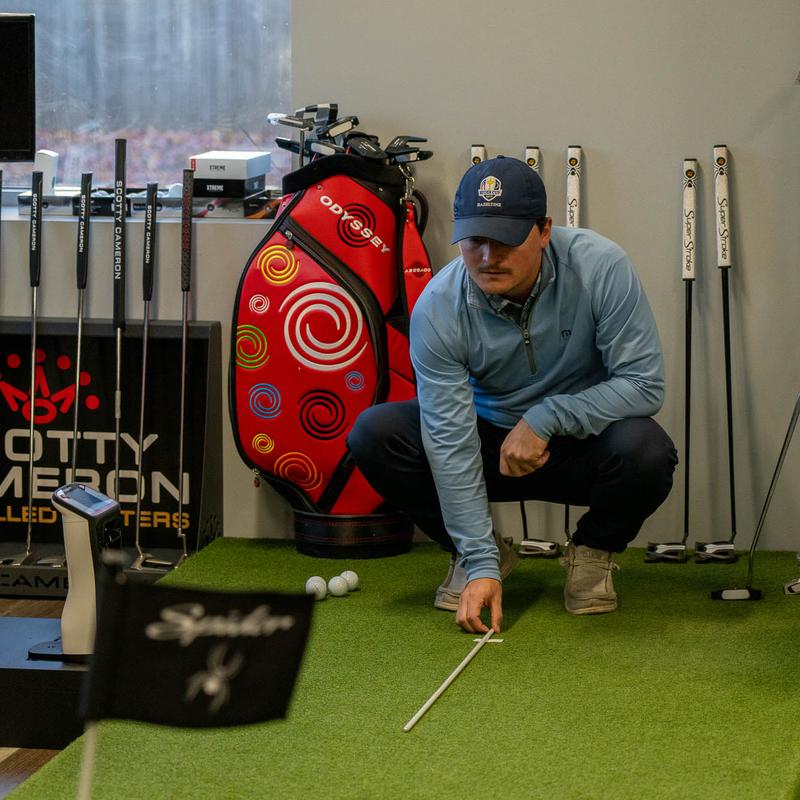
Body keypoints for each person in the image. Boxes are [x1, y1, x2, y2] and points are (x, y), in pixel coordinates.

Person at [348, 155, 677, 634]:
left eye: (505, 240)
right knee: (375, 434)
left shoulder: (601, 267)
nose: (488, 256)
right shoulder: (439, 306)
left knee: (647, 451)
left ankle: (592, 551)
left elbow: (644, 384)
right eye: (475, 240)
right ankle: (477, 554)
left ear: (544, 231)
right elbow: (450, 440)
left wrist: (546, 418)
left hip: (577, 447)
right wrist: (480, 560)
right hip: (486, 447)